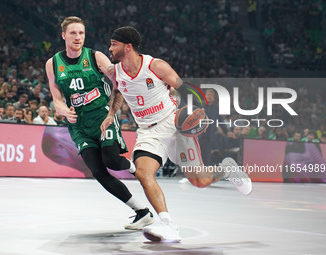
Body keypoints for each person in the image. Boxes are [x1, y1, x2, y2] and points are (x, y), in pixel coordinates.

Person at [102, 26, 252, 242]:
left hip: (174, 125)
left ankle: (226, 169)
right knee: (144, 173)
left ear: (128, 47)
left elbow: (185, 88)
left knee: (199, 181)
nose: (109, 48)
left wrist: (201, 113)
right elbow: (118, 91)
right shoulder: (115, 72)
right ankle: (167, 224)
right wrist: (111, 113)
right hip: (147, 132)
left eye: (114, 44)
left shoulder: (155, 66)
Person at [45, 16, 154, 230]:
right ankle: (142, 212)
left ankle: (135, 168)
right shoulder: (53, 63)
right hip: (79, 126)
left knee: (112, 161)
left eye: (81, 33)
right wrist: (63, 109)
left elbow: (119, 82)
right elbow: (56, 97)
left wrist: (112, 113)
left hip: (102, 117)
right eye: (73, 33)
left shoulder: (95, 57)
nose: (78, 37)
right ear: (64, 35)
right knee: (98, 172)